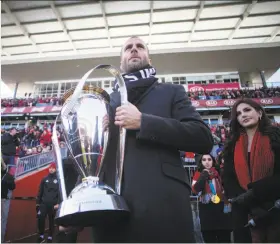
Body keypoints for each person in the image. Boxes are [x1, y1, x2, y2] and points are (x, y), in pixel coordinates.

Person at [67, 35, 212, 243]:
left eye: (140, 46)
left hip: (164, 208)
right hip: (110, 211)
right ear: (121, 62)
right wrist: (76, 204)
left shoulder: (171, 91)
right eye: (128, 48)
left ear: (149, 59)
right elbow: (87, 157)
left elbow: (203, 137)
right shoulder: (104, 101)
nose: (134, 50)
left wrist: (144, 122)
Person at [222, 98, 280, 243]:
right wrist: (242, 197)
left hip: (273, 207)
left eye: (247, 110)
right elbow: (228, 178)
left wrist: (256, 192)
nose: (243, 115)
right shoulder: (232, 144)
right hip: (244, 211)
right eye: (239, 113)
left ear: (259, 113)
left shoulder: (276, 137)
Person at [192, 154, 232, 243]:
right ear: (201, 162)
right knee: (209, 239)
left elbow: (226, 188)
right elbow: (195, 190)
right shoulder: (198, 175)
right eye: (204, 160)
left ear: (213, 161)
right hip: (207, 210)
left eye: (209, 159)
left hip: (221, 209)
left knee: (225, 238)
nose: (207, 162)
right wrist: (203, 176)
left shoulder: (219, 173)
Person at [36, 162, 60, 243]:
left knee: (51, 221)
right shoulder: (44, 179)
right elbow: (40, 191)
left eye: (53, 168)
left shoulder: (59, 180)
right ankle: (41, 235)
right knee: (40, 218)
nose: (51, 169)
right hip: (43, 203)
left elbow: (60, 193)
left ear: (55, 169)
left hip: (53, 204)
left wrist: (58, 203)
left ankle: (50, 236)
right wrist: (38, 203)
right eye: (50, 168)